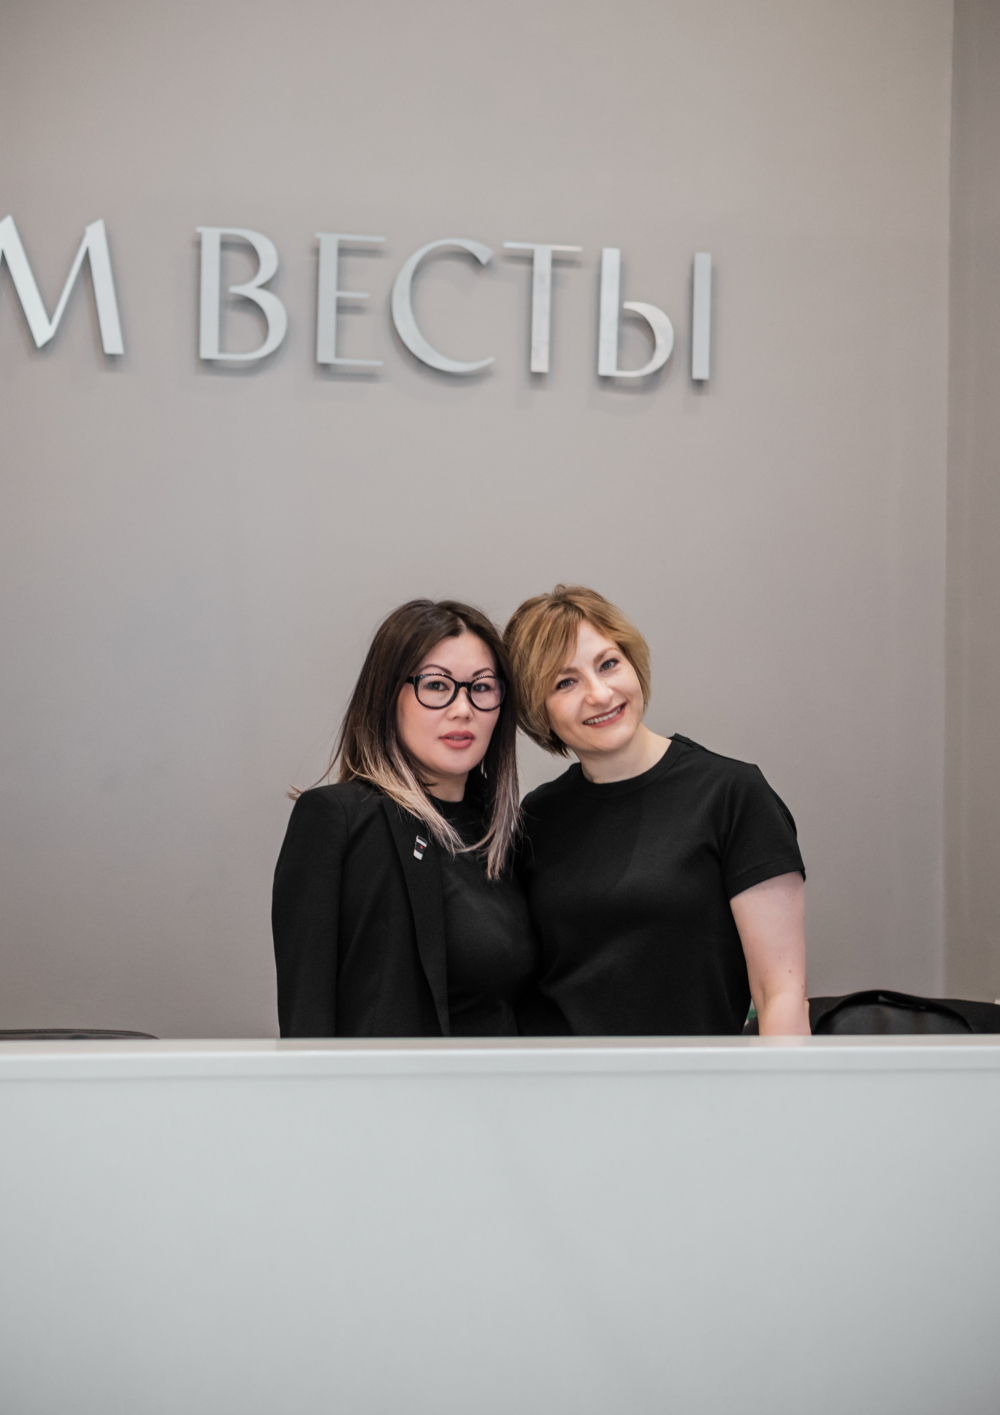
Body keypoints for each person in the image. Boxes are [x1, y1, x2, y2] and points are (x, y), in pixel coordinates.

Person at [504, 585, 809, 1037]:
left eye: (608, 664)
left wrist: (781, 1083)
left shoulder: (731, 796)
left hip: (692, 1078)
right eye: (565, 682)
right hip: (558, 1078)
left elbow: (779, 995)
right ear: (538, 710)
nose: (599, 693)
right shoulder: (538, 816)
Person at [273, 599, 538, 1037]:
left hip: (506, 1082)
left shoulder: (506, 836)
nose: (463, 708)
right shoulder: (338, 820)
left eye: (481, 687)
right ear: (387, 696)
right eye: (436, 685)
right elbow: (307, 1022)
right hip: (390, 1084)